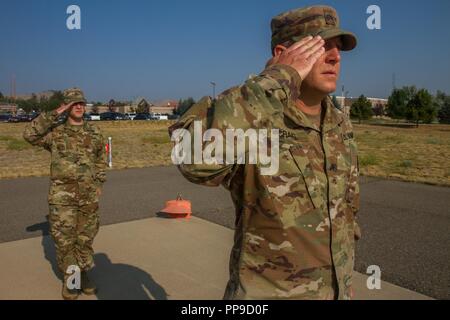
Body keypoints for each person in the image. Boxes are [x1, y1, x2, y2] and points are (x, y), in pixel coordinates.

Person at [170, 5, 360, 300]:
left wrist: (344, 280)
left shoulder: (339, 123)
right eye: (321, 45)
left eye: (338, 48)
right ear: (284, 54)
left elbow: (347, 212)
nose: (335, 56)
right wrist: (276, 78)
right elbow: (194, 161)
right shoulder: (255, 119)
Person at [23, 88, 107, 300]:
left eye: (81, 103)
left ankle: (85, 274)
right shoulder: (56, 133)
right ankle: (73, 281)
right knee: (64, 241)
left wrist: (99, 182)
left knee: (85, 239)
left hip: (88, 197)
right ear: (66, 106)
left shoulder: (95, 132)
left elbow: (101, 159)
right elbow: (29, 134)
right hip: (62, 199)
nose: (78, 106)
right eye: (73, 103)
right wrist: (55, 112)